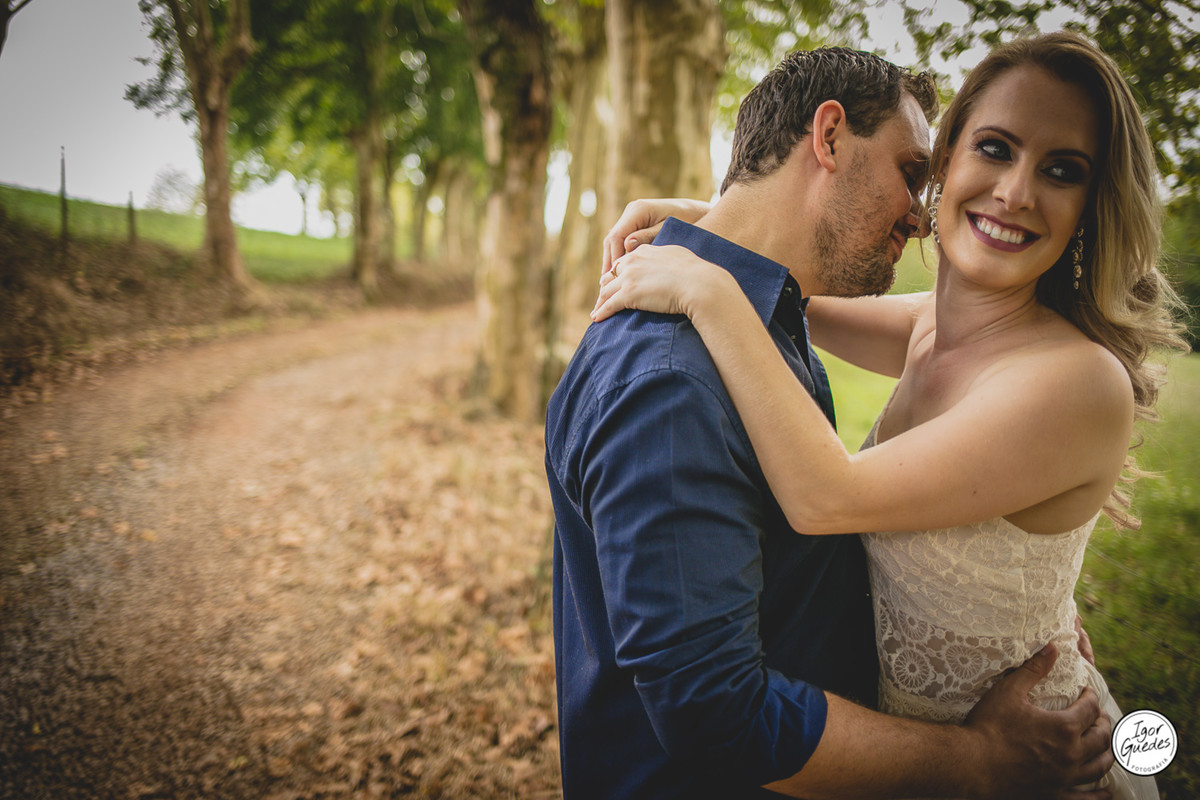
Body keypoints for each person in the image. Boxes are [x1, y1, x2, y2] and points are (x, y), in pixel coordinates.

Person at [591, 33, 1189, 799]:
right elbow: (795, 274)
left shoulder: (1076, 382)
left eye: (1062, 171)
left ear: (1090, 209)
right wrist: (701, 221)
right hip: (919, 757)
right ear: (947, 167)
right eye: (996, 148)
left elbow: (824, 497)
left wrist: (705, 288)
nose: (1014, 191)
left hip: (1027, 765)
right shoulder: (929, 327)